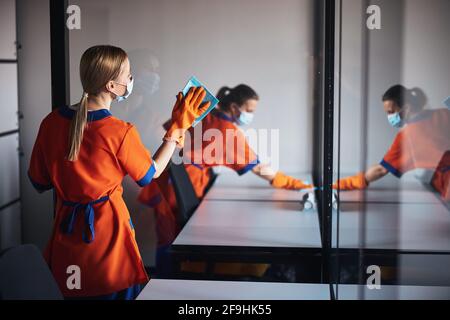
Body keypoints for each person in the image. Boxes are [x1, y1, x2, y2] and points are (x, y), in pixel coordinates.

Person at [27, 45, 210, 299]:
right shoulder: (119, 131)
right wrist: (178, 128)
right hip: (109, 246)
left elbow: (38, 181)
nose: (131, 79)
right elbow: (150, 174)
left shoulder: (51, 122)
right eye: (129, 74)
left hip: (64, 245)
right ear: (111, 85)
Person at [138, 84, 313, 277]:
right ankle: (165, 285)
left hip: (166, 176)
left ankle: (164, 283)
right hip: (182, 186)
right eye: (249, 111)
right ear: (234, 108)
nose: (251, 115)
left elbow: (170, 127)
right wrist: (299, 185)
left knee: (166, 240)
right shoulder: (228, 132)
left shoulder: (205, 111)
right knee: (171, 242)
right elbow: (262, 169)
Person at [334, 85, 450, 203]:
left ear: (406, 108)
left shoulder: (408, 136)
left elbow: (381, 170)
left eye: (391, 112)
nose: (389, 117)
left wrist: (342, 184)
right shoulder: (444, 113)